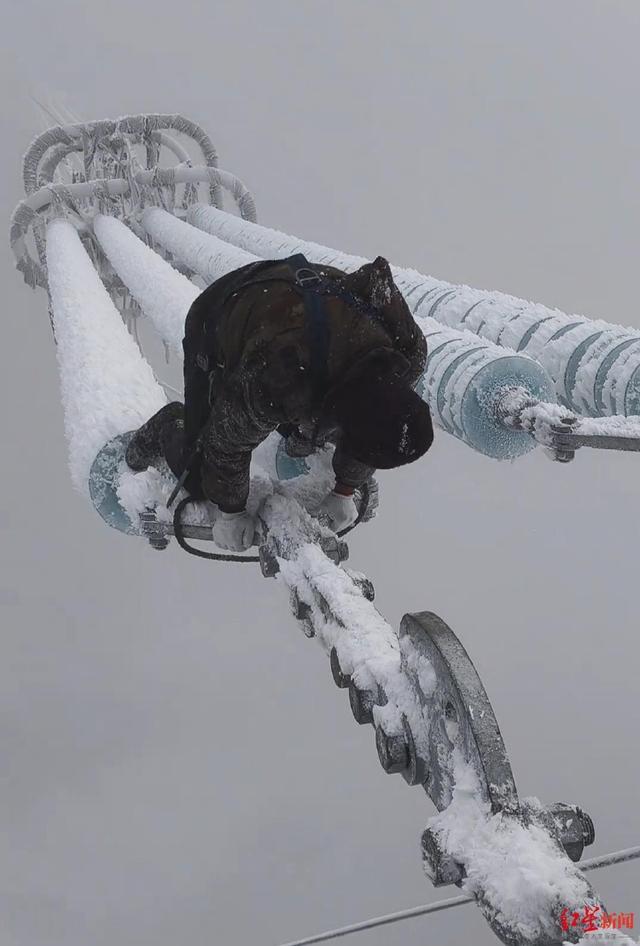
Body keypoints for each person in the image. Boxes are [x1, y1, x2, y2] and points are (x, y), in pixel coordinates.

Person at [125, 253, 433, 552]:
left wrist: (345, 489)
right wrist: (230, 511)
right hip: (224, 309)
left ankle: (304, 434)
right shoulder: (282, 376)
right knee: (200, 478)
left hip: (304, 299)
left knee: (306, 438)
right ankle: (166, 425)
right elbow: (226, 444)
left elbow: (373, 424)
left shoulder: (408, 353)